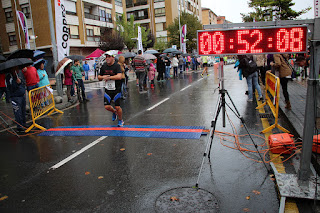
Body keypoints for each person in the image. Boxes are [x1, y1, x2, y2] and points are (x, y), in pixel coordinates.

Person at [98, 51, 124, 127]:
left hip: (116, 89)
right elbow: (99, 77)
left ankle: (120, 120)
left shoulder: (117, 66)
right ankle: (114, 112)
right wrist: (103, 77)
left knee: (117, 106)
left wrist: (109, 77)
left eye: (109, 57)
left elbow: (119, 76)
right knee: (107, 107)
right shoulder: (104, 66)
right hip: (108, 89)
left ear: (113, 57)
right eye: (106, 57)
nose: (107, 58)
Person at [6, 66, 26, 132]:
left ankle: (23, 123)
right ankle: (19, 126)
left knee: (23, 111)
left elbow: (23, 82)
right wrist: (17, 83)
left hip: (22, 95)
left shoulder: (19, 74)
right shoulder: (9, 77)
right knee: (18, 112)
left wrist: (21, 82)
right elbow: (11, 88)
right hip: (15, 97)